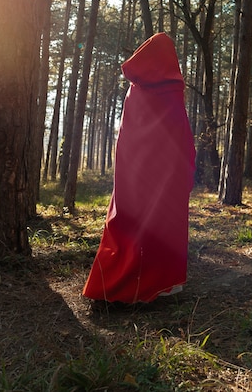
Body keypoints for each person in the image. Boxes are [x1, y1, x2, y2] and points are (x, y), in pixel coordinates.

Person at [82, 32, 196, 303]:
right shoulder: (171, 92)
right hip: (166, 175)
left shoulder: (136, 90)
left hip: (135, 174)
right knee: (162, 224)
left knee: (132, 223)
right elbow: (180, 137)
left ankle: (125, 284)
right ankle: (157, 286)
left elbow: (128, 137)